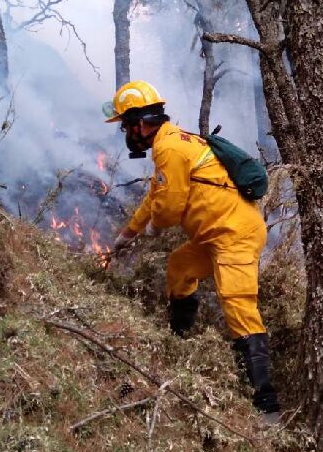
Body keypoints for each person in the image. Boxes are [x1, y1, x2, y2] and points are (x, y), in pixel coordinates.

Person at [107, 81, 281, 423]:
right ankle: (178, 339)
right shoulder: (173, 142)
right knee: (180, 267)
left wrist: (156, 226)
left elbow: (169, 208)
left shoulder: (169, 147)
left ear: (141, 122)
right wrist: (127, 234)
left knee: (238, 305)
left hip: (235, 234)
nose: (126, 132)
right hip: (215, 233)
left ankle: (267, 406)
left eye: (126, 125)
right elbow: (157, 195)